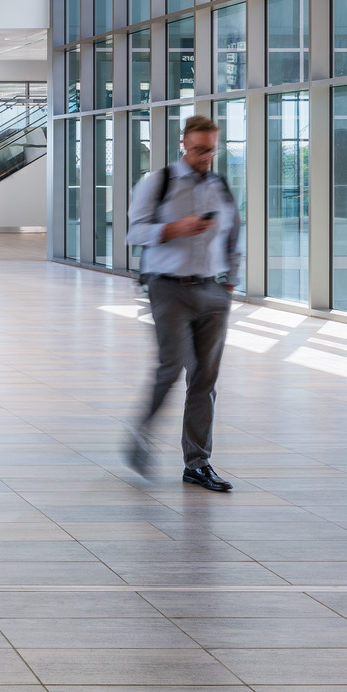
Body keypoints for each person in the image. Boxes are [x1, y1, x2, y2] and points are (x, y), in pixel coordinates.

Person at [123, 115, 242, 493]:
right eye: (198, 149)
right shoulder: (158, 182)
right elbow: (134, 231)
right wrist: (176, 228)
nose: (205, 156)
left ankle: (198, 463)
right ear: (183, 145)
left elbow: (234, 234)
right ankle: (140, 435)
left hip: (212, 291)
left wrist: (230, 283)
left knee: (205, 381)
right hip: (168, 288)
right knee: (171, 367)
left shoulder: (219, 185)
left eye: (211, 149)